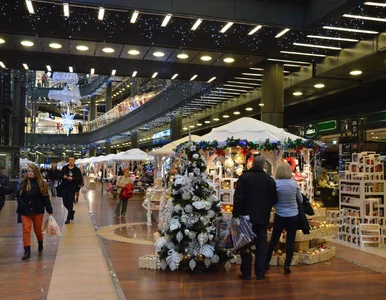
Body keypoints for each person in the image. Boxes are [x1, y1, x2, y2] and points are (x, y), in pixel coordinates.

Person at [233, 156, 278, 280]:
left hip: (246, 217)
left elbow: (238, 197)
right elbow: (275, 199)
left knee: (245, 243)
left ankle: (246, 272)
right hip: (262, 217)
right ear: (263, 165)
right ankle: (260, 272)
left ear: (252, 164)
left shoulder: (244, 177)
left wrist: (236, 213)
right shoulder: (269, 180)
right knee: (261, 244)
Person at [265, 161, 303, 275]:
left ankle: (266, 263)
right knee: (290, 240)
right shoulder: (294, 184)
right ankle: (287, 265)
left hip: (280, 214)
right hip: (293, 215)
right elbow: (300, 200)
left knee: (274, 239)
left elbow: (271, 199)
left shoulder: (275, 184)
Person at [17, 164, 53, 260]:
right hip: (25, 210)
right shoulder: (23, 183)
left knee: (37, 230)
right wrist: (21, 205)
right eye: (29, 171)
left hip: (37, 210)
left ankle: (40, 242)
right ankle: (27, 251)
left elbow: (45, 197)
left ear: (36, 172)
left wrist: (49, 208)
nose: (30, 173)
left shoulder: (41, 183)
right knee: (26, 229)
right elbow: (19, 196)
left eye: (32, 171)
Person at [60, 156, 82, 224]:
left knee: (70, 202)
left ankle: (68, 218)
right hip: (64, 187)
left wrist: (73, 179)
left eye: (72, 160)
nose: (70, 161)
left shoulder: (77, 170)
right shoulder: (65, 168)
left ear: (74, 161)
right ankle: (71, 212)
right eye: (69, 160)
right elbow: (59, 175)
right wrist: (63, 177)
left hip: (72, 188)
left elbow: (80, 179)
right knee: (64, 202)